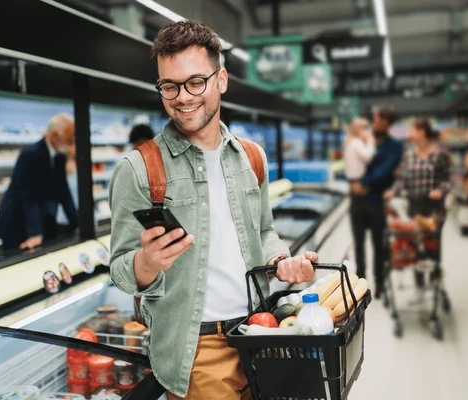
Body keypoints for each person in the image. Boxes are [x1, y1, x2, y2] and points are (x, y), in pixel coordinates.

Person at [108, 20, 319, 400]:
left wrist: (281, 259)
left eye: (195, 82)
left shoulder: (252, 157)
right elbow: (120, 269)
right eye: (168, 86)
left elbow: (265, 231)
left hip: (261, 334)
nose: (182, 97)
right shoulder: (139, 170)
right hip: (196, 352)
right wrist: (147, 262)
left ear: (221, 80)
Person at [384, 118, 452, 304]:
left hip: (434, 209)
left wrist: (441, 190)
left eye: (412, 129)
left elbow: (448, 179)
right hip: (415, 207)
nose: (409, 133)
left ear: (422, 131)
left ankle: (435, 283)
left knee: (433, 247)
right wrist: (393, 192)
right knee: (416, 247)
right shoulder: (409, 154)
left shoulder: (440, 153)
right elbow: (402, 180)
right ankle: (421, 288)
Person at [0, 113, 78, 251]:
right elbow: (27, 196)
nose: (73, 142)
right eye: (70, 137)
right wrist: (35, 233)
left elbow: (64, 192)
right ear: (55, 135)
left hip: (40, 223)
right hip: (17, 225)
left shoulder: (60, 157)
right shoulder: (30, 154)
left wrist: (76, 224)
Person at [349, 106, 403, 298]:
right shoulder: (362, 139)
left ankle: (380, 282)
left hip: (376, 201)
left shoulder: (395, 146)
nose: (376, 125)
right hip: (357, 201)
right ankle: (360, 283)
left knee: (379, 244)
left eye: (381, 122)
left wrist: (364, 183)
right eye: (375, 120)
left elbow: (385, 169)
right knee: (359, 244)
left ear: (389, 125)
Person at [343, 117, 375, 182]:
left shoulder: (351, 142)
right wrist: (370, 142)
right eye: (365, 129)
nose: (368, 132)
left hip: (352, 178)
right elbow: (368, 157)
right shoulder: (357, 143)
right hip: (358, 179)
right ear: (357, 131)